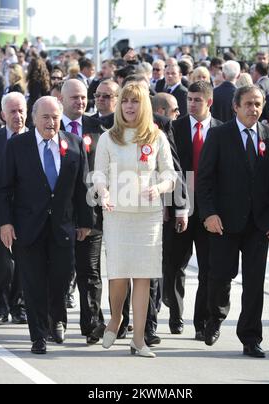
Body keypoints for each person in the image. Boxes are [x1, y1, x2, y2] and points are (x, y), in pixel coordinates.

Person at [197, 85, 269, 358]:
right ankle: (215, 317)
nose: (254, 109)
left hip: (259, 224)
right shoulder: (218, 135)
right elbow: (204, 180)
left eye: (258, 104)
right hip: (224, 222)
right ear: (236, 106)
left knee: (254, 283)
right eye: (248, 103)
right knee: (220, 277)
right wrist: (209, 214)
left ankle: (250, 337)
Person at [0, 96, 92, 354]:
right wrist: (4, 223)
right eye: (46, 117)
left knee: (61, 278)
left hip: (63, 226)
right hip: (28, 227)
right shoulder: (18, 145)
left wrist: (85, 222)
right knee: (33, 282)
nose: (51, 122)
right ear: (34, 118)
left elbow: (82, 186)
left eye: (55, 117)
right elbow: (3, 188)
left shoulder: (73, 143)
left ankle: (56, 318)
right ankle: (38, 335)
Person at [93, 83, 176, 357]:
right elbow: (99, 174)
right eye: (125, 101)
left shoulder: (157, 137)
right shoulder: (108, 138)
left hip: (147, 217)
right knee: (118, 276)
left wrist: (159, 189)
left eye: (135, 101)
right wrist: (103, 193)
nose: (129, 106)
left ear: (145, 106)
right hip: (116, 214)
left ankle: (138, 341)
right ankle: (116, 318)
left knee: (143, 278)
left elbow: (169, 174)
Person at [165, 81, 221, 338]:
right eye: (189, 99)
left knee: (208, 269)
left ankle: (202, 322)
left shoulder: (222, 131)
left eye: (198, 99)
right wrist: (175, 205)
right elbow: (171, 170)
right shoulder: (174, 128)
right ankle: (176, 316)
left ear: (209, 102)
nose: (192, 104)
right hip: (181, 205)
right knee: (175, 266)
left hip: (210, 209)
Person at [60, 79, 107, 343]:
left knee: (90, 273)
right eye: (74, 98)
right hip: (60, 215)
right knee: (61, 271)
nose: (80, 102)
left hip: (92, 214)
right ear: (63, 100)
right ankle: (57, 321)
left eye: (83, 97)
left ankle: (91, 325)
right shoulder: (50, 128)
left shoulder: (98, 129)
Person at [0, 92, 28, 325]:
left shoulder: (35, 138)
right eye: (12, 111)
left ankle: (19, 305)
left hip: (26, 212)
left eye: (21, 110)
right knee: (3, 260)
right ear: (3, 115)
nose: (18, 116)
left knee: (24, 262)